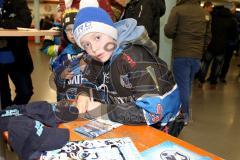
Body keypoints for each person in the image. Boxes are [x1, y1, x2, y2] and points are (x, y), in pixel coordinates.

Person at [73, 0, 183, 137]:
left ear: (111, 32)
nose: (94, 49)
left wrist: (102, 110)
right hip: (127, 116)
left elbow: (153, 111)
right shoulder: (97, 57)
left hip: (163, 125)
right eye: (86, 44)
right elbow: (87, 79)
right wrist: (83, 94)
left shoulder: (135, 58)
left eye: (97, 37)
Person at [164, 0, 211, 123]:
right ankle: (184, 112)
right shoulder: (204, 13)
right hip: (196, 56)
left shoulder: (178, 10)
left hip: (181, 54)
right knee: (187, 85)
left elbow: (168, 31)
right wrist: (201, 50)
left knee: (182, 86)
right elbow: (208, 36)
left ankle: (184, 116)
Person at [0, 0, 33, 109]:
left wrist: (3, 23)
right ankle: (6, 117)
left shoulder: (18, 2)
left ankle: (11, 113)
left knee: (26, 91)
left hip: (17, 54)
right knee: (4, 94)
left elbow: (25, 22)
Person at [51, 8, 87, 101]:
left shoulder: (94, 51)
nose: (72, 33)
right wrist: (61, 75)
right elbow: (57, 79)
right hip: (69, 102)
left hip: (90, 101)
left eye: (75, 28)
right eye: (68, 29)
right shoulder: (64, 54)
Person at [197, 6, 237, 88]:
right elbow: (233, 35)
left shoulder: (213, 18)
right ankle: (213, 83)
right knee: (217, 65)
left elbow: (207, 30)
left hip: (211, 45)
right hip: (222, 47)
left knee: (205, 64)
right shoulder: (232, 21)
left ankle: (201, 81)